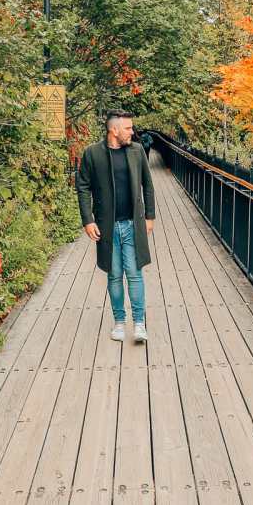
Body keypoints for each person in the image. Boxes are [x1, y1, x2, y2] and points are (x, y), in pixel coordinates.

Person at [76, 109, 155, 342]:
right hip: (106, 227)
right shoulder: (92, 154)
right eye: (128, 128)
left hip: (133, 224)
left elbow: (148, 186)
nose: (132, 131)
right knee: (114, 275)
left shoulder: (137, 151)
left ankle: (139, 324)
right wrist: (87, 220)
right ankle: (119, 323)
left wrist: (149, 216)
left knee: (134, 273)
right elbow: (82, 187)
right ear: (114, 130)